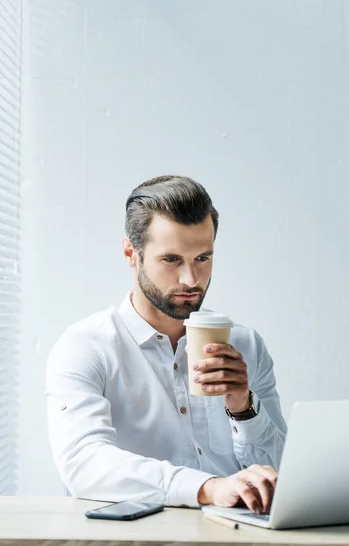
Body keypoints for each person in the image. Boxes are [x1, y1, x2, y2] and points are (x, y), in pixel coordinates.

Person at [46, 175, 287, 514]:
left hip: (238, 539)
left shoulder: (245, 344)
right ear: (132, 253)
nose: (191, 280)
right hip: (132, 542)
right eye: (172, 260)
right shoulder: (87, 347)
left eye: (203, 258)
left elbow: (281, 473)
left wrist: (243, 406)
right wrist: (207, 488)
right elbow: (83, 464)